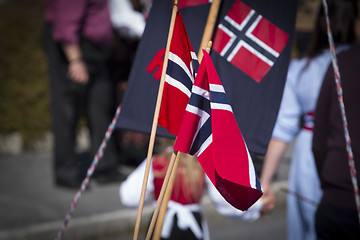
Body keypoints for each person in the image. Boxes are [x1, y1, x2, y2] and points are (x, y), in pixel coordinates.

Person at [260, 1, 357, 239]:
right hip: (340, 150)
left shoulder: (302, 67)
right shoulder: (350, 63)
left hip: (308, 152)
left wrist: (265, 180)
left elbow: (284, 128)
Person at [42, 0, 124, 188]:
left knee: (100, 107)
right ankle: (66, 172)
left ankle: (105, 166)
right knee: (67, 110)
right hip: (74, 49)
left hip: (96, 51)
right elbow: (64, 23)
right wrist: (75, 60)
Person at [119, 138, 263, 240]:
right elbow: (224, 198)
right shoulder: (201, 166)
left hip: (161, 224)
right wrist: (258, 206)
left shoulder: (156, 163)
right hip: (191, 228)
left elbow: (129, 197)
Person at [312, 43, 360, 239]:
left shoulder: (343, 61)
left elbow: (318, 141)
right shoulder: (341, 60)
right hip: (339, 197)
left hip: (336, 198)